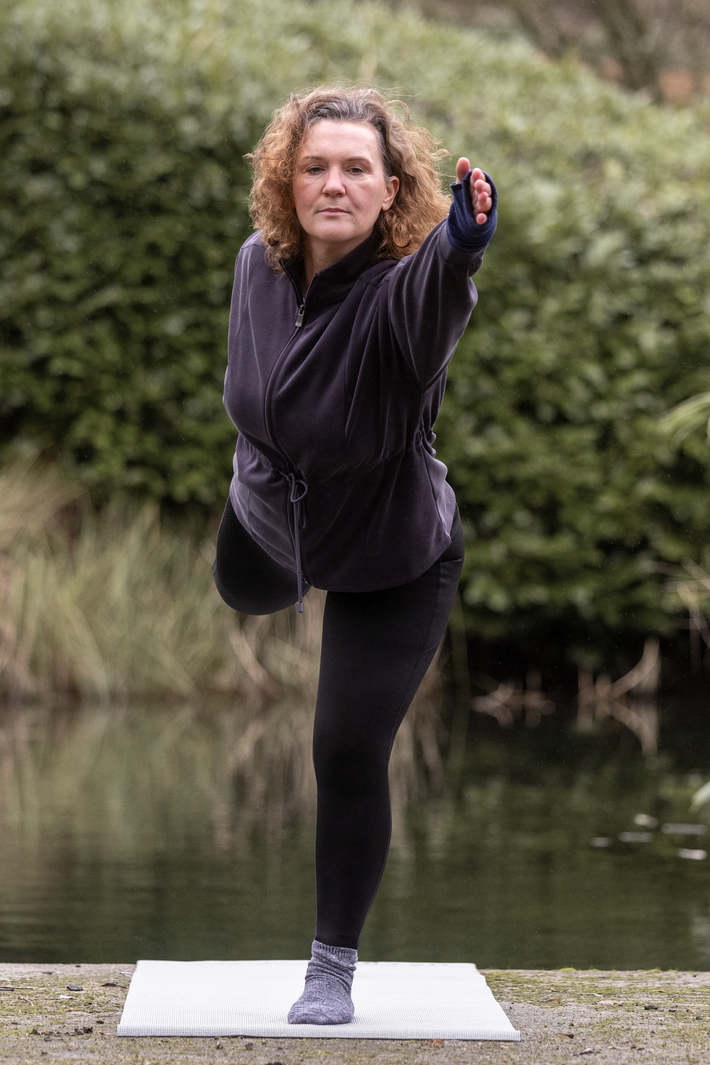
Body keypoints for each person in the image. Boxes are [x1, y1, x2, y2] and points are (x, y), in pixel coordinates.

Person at [213, 86, 497, 1024]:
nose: (333, 183)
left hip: (391, 550)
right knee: (240, 580)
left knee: (342, 747)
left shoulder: (401, 289)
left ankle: (331, 964)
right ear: (286, 182)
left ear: (389, 188)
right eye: (314, 166)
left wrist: (459, 244)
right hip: (275, 515)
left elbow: (437, 291)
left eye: (356, 169)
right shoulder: (259, 264)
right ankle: (260, 551)